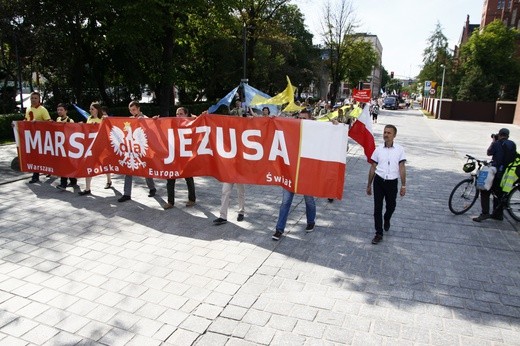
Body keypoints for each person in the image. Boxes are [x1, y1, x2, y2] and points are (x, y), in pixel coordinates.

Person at [272, 108, 316, 240]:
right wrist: (273, 120)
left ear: (310, 119)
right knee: (285, 202)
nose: (301, 121)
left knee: (309, 200)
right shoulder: (292, 129)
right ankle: (279, 229)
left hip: (306, 174)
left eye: (304, 118)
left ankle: (311, 221)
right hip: (290, 172)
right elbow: (279, 127)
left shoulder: (316, 131)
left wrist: (335, 125)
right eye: (300, 118)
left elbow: (330, 134)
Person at [366, 124, 406, 245]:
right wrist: (369, 185)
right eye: (385, 132)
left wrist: (403, 185)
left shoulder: (400, 150)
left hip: (392, 182)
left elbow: (402, 167)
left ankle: (387, 218)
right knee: (377, 208)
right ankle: (378, 233)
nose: (386, 135)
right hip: (379, 181)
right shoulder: (378, 149)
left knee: (391, 206)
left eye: (389, 133)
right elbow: (373, 167)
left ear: (394, 135)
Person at [473, 128, 516, 222]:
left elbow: (489, 152)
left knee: (485, 190)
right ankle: (498, 214)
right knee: (498, 193)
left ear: (499, 135)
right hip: (508, 172)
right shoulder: (512, 144)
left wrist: (493, 141)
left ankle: (485, 213)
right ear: (508, 136)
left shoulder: (496, 144)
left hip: (497, 171)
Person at [118, 100, 156, 202]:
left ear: (139, 109)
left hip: (142, 148)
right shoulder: (130, 120)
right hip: (132, 148)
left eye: (134, 109)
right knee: (128, 170)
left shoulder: (145, 118)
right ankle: (127, 194)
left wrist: (144, 122)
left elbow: (151, 130)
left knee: (145, 169)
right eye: (130, 110)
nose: (132, 112)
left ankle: (152, 188)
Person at [163, 107, 197, 209]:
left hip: (186, 156)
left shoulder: (191, 124)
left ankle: (192, 199)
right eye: (177, 114)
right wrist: (155, 120)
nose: (178, 116)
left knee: (189, 178)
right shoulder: (172, 124)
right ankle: (170, 202)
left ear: (186, 115)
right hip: (174, 156)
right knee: (170, 179)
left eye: (181, 114)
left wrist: (197, 119)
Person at [79, 102, 112, 195]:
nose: (90, 110)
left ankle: (109, 180)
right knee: (88, 165)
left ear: (97, 109)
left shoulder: (102, 119)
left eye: (92, 109)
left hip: (101, 146)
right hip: (91, 146)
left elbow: (108, 129)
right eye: (90, 109)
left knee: (105, 163)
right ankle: (87, 188)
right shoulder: (89, 118)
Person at [26, 92, 52, 184]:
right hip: (31, 137)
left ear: (39, 99)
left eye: (35, 98)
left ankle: (47, 170)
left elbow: (49, 123)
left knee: (44, 155)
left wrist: (37, 122)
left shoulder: (43, 110)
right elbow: (26, 120)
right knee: (34, 156)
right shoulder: (28, 108)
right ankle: (36, 175)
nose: (33, 100)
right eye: (32, 98)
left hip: (41, 138)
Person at [55, 103, 78, 190]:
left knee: (66, 164)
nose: (59, 111)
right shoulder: (57, 119)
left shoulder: (69, 120)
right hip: (60, 146)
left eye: (61, 110)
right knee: (63, 165)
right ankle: (71, 181)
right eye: (58, 110)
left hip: (67, 146)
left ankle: (65, 183)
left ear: (66, 111)